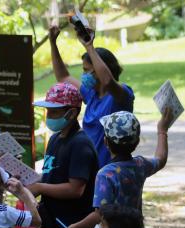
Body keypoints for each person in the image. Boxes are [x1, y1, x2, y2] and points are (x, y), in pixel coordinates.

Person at [63, 109, 173, 228]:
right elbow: (161, 159)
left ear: (105, 142)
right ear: (137, 142)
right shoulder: (140, 165)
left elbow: (100, 214)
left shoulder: (106, 174)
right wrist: (162, 129)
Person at [29, 82, 98, 228]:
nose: (49, 115)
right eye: (47, 110)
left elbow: (75, 189)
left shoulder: (81, 144)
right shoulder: (56, 139)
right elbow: (50, 177)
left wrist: (39, 188)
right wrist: (27, 183)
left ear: (72, 112)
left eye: (54, 111)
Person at [48, 24, 135, 168]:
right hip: (89, 171)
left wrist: (89, 46)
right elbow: (63, 77)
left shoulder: (122, 95)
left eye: (87, 70)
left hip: (109, 172)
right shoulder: (92, 94)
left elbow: (107, 81)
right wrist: (53, 43)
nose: (84, 75)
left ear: (101, 70)